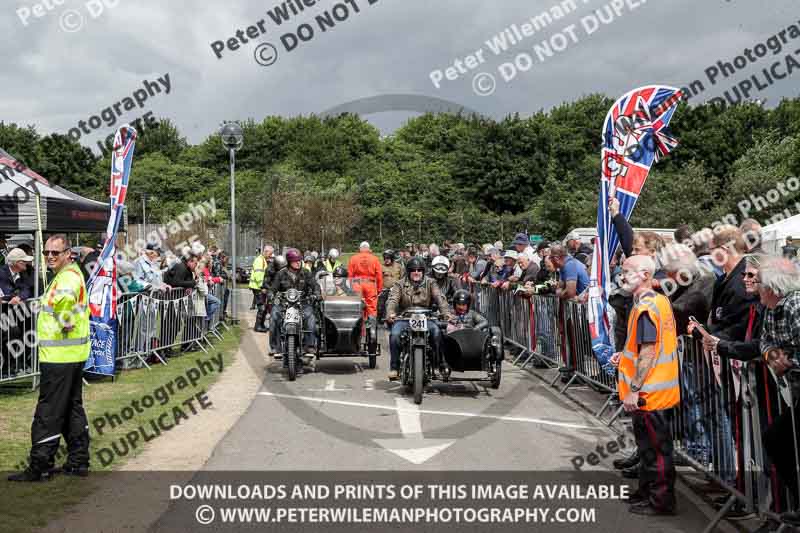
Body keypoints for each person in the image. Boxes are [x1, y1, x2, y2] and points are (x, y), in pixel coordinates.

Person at [9, 235, 91, 482]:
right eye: (46, 253)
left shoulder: (67, 278)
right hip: (71, 355)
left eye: (56, 252)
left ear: (69, 254)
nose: (50, 257)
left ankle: (40, 465)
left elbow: (66, 310)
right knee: (71, 410)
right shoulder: (71, 275)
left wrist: (64, 318)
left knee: (48, 412)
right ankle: (78, 462)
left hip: (60, 356)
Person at [610, 255, 680, 516]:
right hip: (653, 389)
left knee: (657, 450)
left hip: (650, 391)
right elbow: (643, 346)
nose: (622, 275)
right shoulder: (655, 301)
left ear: (644, 274)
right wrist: (624, 354)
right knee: (648, 447)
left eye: (627, 272)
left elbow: (649, 351)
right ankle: (648, 492)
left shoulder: (647, 306)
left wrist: (635, 389)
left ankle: (661, 500)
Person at [759, 258, 800, 527]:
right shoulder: (772, 308)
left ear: (772, 287)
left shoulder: (795, 306)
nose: (756, 289)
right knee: (776, 438)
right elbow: (764, 341)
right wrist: (772, 355)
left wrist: (790, 361)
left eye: (761, 283)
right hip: (794, 388)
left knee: (778, 438)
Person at [385, 256, 453, 381]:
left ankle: (438, 364)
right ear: (409, 271)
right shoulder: (399, 284)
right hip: (405, 318)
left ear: (423, 271)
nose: (416, 273)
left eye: (419, 270)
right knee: (394, 335)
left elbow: (439, 298)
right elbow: (393, 299)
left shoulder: (430, 282)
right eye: (413, 270)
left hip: (427, 317)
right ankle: (394, 367)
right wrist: (390, 313)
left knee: (437, 333)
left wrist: (446, 313)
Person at [269, 248, 321, 360]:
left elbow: (315, 285)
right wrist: (270, 295)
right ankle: (275, 347)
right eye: (295, 261)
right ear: (289, 261)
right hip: (284, 304)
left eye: (299, 260)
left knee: (310, 318)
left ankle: (310, 346)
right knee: (274, 317)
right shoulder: (281, 274)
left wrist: (316, 294)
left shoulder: (306, 273)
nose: (298, 262)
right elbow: (273, 288)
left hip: (302, 303)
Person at [348, 241, 383, 325]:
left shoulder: (353, 258)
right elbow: (379, 275)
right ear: (369, 249)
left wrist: (350, 288)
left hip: (356, 284)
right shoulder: (374, 259)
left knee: (357, 307)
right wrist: (379, 289)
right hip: (370, 285)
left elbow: (350, 275)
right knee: (371, 308)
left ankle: (358, 330)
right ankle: (372, 331)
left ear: (360, 249)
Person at [249, 245, 272, 319]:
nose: (271, 256)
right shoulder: (260, 260)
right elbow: (258, 275)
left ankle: (260, 325)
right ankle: (258, 325)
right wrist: (262, 287)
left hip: (258, 286)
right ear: (266, 252)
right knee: (261, 307)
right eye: (270, 254)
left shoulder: (262, 260)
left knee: (262, 307)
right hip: (258, 287)